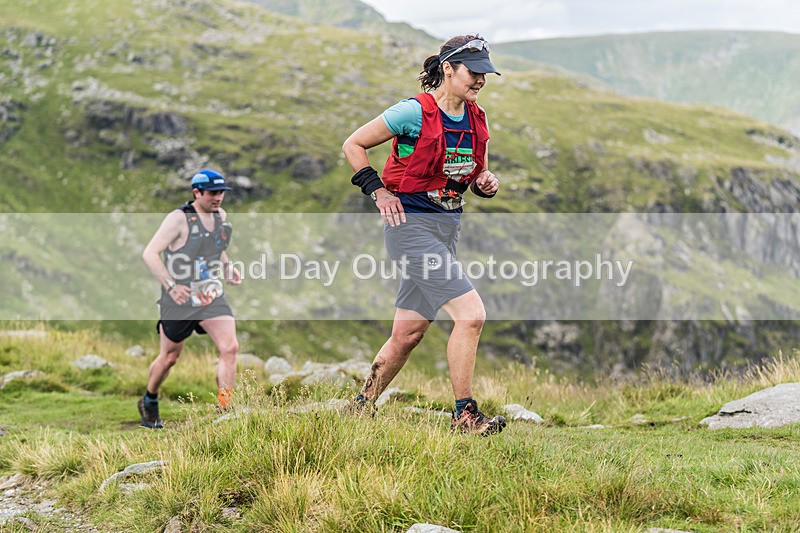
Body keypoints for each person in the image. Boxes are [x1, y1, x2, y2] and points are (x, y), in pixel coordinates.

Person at [342, 34, 506, 435]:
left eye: (485, 73)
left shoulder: (475, 118)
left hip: (445, 230)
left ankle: (359, 408)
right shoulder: (412, 112)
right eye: (474, 72)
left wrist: (485, 181)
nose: (481, 80)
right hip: (409, 230)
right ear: (448, 69)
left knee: (408, 334)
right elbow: (354, 144)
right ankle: (465, 415)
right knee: (471, 316)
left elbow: (471, 172)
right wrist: (378, 192)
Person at [139, 169, 242, 428]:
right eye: (212, 193)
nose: (218, 198)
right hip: (179, 300)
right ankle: (149, 400)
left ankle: (225, 409)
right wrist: (172, 286)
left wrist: (228, 267)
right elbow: (150, 253)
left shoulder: (221, 216)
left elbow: (217, 249)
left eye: (221, 193)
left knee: (230, 347)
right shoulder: (178, 219)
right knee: (170, 357)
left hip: (209, 294)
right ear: (197, 193)